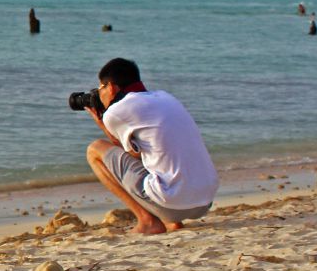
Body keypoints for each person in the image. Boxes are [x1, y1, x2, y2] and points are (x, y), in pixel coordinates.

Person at [84, 58, 218, 236]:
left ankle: (147, 221)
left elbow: (131, 154)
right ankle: (171, 222)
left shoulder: (115, 112)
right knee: (161, 158)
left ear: (111, 87)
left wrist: (102, 122)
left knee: (95, 150)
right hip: (204, 202)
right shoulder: (166, 97)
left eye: (100, 88)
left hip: (173, 204)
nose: (99, 94)